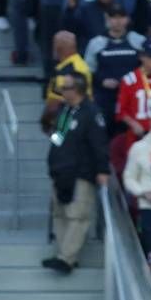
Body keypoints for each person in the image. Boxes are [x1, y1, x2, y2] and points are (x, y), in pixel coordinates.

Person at [43, 73, 108, 275]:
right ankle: (63, 255)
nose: (62, 91)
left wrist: (102, 169)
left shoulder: (91, 113)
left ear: (77, 90)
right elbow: (57, 138)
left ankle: (67, 258)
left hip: (81, 172)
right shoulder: (65, 111)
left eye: (65, 88)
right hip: (60, 171)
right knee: (60, 214)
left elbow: (99, 144)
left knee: (77, 215)